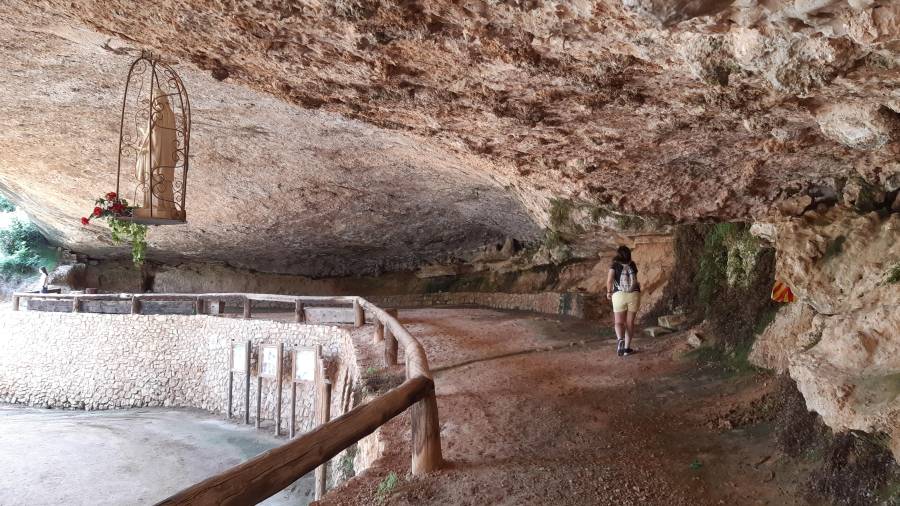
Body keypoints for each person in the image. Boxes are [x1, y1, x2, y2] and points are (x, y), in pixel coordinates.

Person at [606, 245, 640, 357]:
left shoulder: (614, 265)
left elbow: (610, 280)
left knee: (619, 322)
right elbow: (635, 280)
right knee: (630, 323)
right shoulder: (632, 264)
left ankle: (620, 339)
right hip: (634, 294)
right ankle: (626, 349)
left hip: (618, 295)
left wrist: (609, 292)